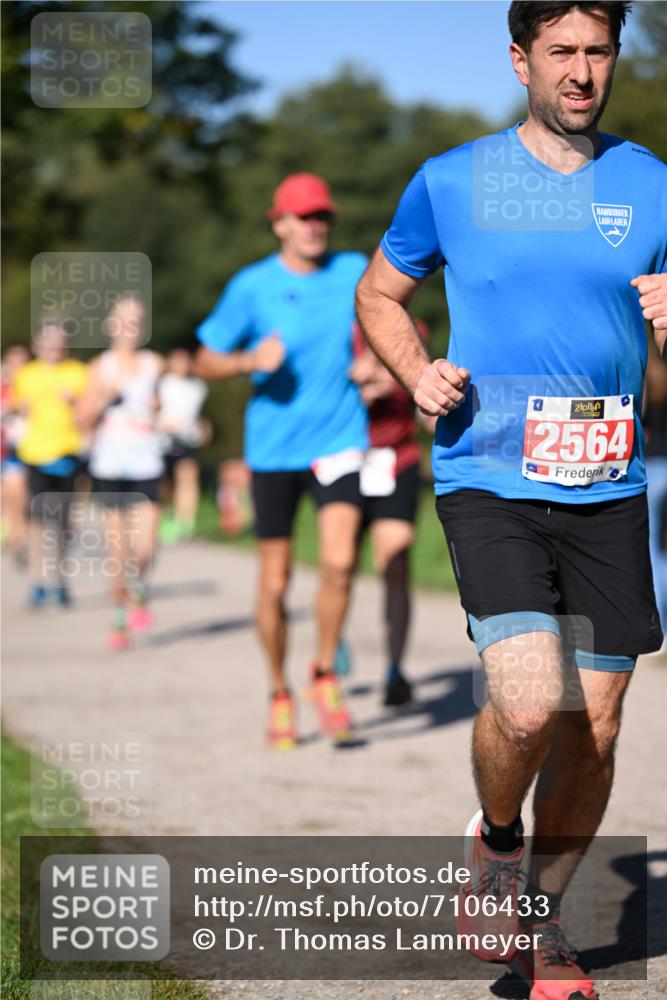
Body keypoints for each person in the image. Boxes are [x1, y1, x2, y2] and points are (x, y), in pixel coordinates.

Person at [355, 3, 667, 998]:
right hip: (486, 470)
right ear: (520, 60)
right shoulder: (452, 180)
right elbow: (377, 293)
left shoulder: (653, 183)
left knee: (598, 726)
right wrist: (413, 371)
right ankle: (495, 839)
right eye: (561, 52)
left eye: (598, 52)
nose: (582, 72)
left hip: (609, 481)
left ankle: (544, 924)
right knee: (531, 704)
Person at [194, 172, 368, 748]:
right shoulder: (252, 286)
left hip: (339, 439)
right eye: (303, 217)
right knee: (275, 582)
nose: (315, 226)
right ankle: (278, 689)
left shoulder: (352, 272)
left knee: (340, 564)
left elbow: (389, 317)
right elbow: (204, 361)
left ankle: (324, 673)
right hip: (273, 450)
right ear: (279, 223)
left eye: (322, 216)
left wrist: (381, 364)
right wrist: (247, 360)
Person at [349, 319, 433, 706]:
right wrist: (355, 392)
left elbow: (421, 394)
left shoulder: (413, 328)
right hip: (344, 461)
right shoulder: (338, 329)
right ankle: (332, 644)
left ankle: (395, 668)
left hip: (396, 461)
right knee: (340, 565)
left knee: (395, 563)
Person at [77, 297, 164, 650]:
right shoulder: (100, 367)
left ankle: (138, 586)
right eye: (124, 320)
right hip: (110, 464)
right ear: (111, 325)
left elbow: (170, 409)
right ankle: (118, 618)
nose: (130, 326)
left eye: (137, 320)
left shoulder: (154, 365)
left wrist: (162, 411)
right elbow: (80, 419)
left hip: (147, 462)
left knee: (145, 546)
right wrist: (101, 398)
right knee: (118, 550)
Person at [11, 324, 88, 608]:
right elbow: (15, 408)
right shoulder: (26, 374)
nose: (54, 347)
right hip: (35, 454)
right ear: (37, 344)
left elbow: (90, 411)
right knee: (39, 521)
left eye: (59, 342)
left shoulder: (78, 373)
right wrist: (21, 408)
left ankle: (61, 580)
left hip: (68, 452)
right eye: (49, 342)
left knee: (64, 523)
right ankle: (38, 582)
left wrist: (76, 401)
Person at [157, 347, 209, 543]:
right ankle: (162, 517)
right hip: (162, 439)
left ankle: (186, 521)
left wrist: (203, 428)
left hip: (188, 438)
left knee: (188, 477)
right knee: (164, 483)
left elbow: (200, 415)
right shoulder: (161, 384)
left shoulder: (198, 387)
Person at [1, 343, 30, 566]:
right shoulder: (4, 387)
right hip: (6, 448)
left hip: (30, 448)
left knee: (21, 495)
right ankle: (17, 538)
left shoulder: (33, 386)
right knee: (11, 496)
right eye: (14, 363)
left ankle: (21, 537)